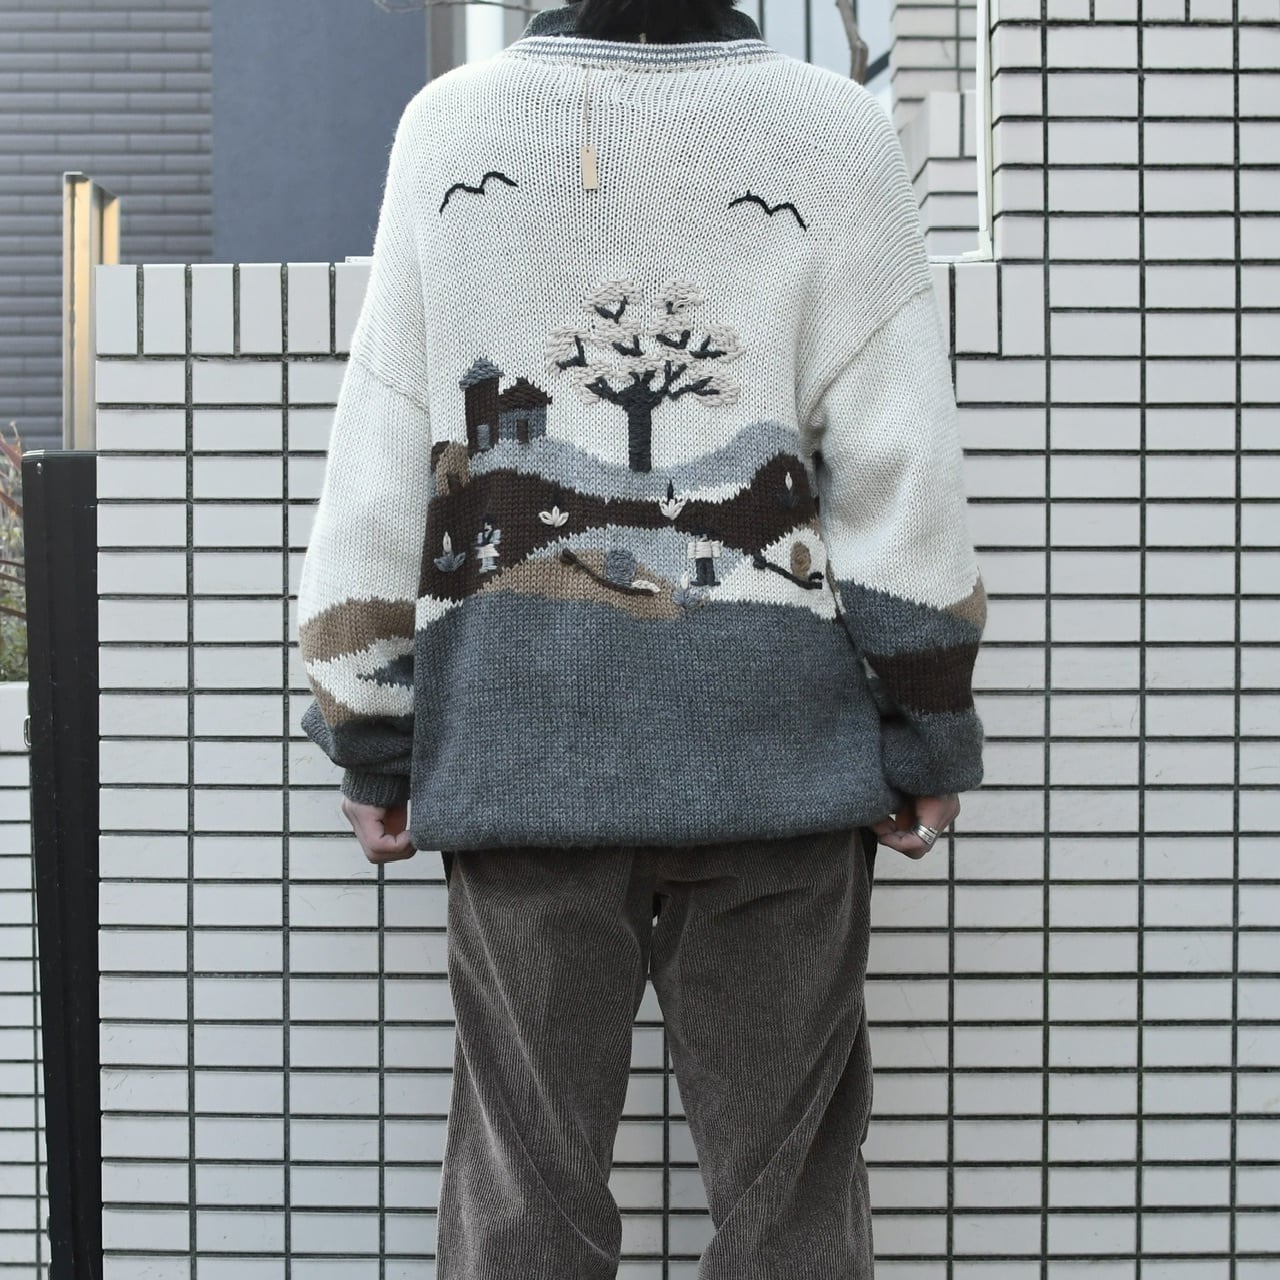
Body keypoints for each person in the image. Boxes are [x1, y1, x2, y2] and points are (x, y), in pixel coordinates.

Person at [295, 0, 988, 1274]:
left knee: (523, 1191)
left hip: (519, 762)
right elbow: (899, 466)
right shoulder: (833, 130)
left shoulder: (451, 128)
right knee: (789, 1195)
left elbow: (384, 454)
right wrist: (926, 721)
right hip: (780, 765)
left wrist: (369, 724)